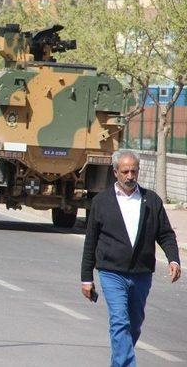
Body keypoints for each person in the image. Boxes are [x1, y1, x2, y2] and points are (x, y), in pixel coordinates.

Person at [81, 149, 181, 367]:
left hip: (141, 274)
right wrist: (86, 278)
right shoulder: (101, 201)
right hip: (111, 272)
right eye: (125, 171)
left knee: (134, 325)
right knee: (120, 322)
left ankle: (118, 362)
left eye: (133, 171)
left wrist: (174, 259)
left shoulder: (151, 200)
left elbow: (165, 234)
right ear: (115, 172)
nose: (130, 176)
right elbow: (91, 242)